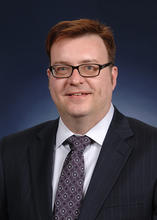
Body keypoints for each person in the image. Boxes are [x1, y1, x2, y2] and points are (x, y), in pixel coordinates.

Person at [0, 18, 157, 220]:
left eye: (90, 67)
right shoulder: (9, 153)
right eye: (63, 68)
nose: (75, 80)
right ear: (50, 78)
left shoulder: (153, 151)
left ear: (112, 77)